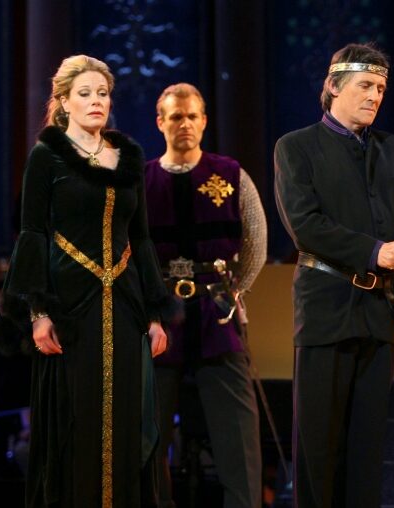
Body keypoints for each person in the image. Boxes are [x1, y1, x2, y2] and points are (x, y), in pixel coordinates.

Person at [0, 54, 169, 507]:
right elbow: (33, 234)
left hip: (124, 306)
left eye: (102, 93)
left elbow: (140, 237)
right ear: (63, 102)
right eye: (84, 94)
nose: (96, 101)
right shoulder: (47, 156)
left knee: (125, 418)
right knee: (76, 418)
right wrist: (39, 312)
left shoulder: (128, 157)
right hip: (69, 307)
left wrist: (155, 314)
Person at [273, 42, 394, 506]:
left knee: (367, 451)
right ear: (333, 86)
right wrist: (377, 251)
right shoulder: (296, 147)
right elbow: (306, 225)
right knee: (319, 449)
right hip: (326, 309)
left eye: (381, 88)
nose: (375, 95)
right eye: (365, 85)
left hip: (379, 313)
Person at [144, 83, 266, 508]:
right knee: (148, 437)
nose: (185, 124)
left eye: (193, 116)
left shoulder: (230, 174)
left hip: (217, 313)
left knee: (239, 439)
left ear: (205, 121)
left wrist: (235, 292)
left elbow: (255, 243)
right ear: (160, 122)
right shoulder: (141, 182)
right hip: (159, 318)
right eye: (176, 116)